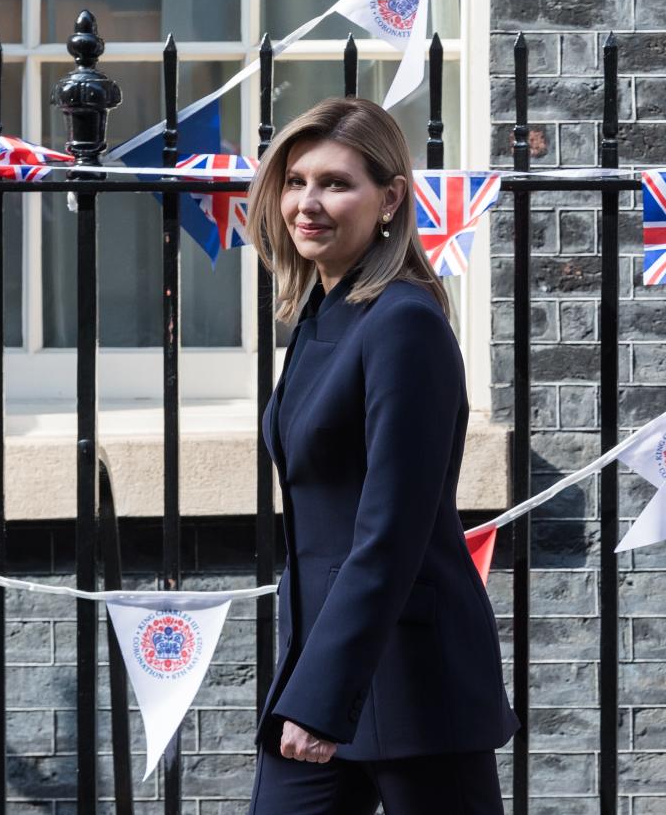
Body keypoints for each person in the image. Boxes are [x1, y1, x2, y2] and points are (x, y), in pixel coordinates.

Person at [245, 97, 519, 815]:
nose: (307, 203)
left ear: (390, 197)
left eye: (336, 183)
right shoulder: (321, 316)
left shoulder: (403, 323)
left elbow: (390, 531)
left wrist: (325, 693)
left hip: (411, 686)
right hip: (326, 672)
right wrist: (313, 682)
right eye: (295, 180)